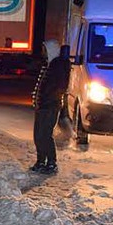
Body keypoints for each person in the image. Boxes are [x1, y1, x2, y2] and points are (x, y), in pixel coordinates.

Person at [31, 39, 71, 174]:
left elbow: (58, 87)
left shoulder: (57, 66)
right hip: (43, 105)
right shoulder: (49, 64)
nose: (43, 53)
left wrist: (48, 100)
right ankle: (41, 161)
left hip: (49, 106)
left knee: (45, 134)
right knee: (38, 135)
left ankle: (51, 163)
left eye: (45, 50)